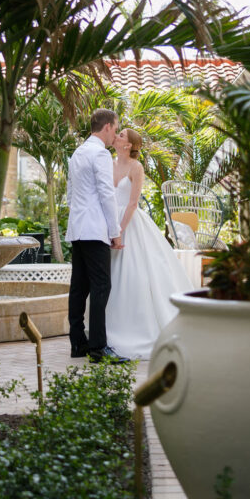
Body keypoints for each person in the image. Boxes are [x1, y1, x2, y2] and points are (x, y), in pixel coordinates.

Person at [106, 127, 194, 359]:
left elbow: (133, 203)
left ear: (129, 145)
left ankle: (137, 328)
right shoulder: (108, 163)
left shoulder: (136, 167)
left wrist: (118, 231)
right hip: (107, 223)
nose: (117, 136)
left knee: (135, 275)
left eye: (122, 135)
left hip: (129, 225)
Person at [65, 109, 129, 364]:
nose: (115, 134)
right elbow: (107, 194)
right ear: (106, 128)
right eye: (115, 129)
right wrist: (115, 232)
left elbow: (70, 194)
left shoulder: (78, 153)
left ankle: (78, 343)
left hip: (77, 229)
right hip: (94, 230)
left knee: (79, 288)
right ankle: (99, 348)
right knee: (102, 287)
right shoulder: (101, 154)